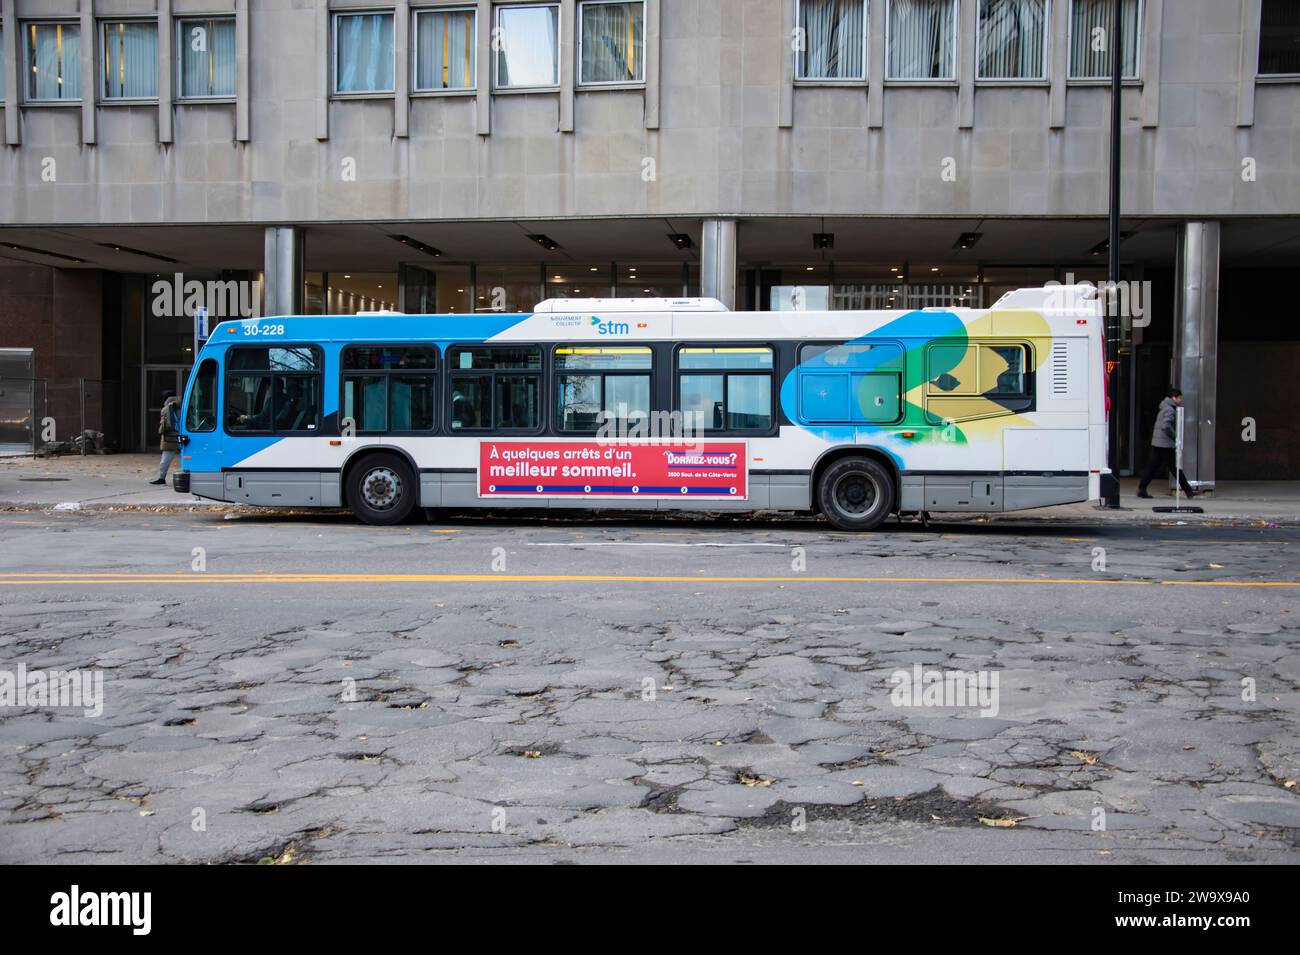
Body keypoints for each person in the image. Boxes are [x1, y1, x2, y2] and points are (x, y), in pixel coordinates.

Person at [1137, 387, 1196, 499]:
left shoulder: (1163, 406)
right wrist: (1175, 436)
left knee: (1153, 466)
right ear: (1174, 398)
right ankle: (1188, 490)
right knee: (1175, 468)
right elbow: (1166, 426)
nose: (1180, 400)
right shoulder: (1170, 410)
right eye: (1179, 398)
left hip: (1157, 442)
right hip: (1165, 444)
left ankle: (1142, 488)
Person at [149, 390, 181, 485]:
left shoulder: (167, 408)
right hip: (183, 435)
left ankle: (161, 478)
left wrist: (160, 431)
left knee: (165, 460)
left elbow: (165, 425)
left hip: (170, 438)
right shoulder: (182, 405)